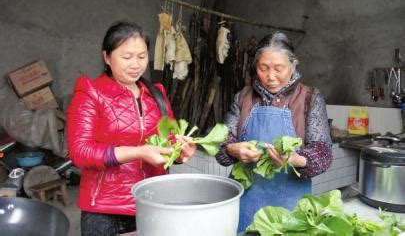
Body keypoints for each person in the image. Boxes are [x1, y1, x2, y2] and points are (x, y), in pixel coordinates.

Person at [67, 21, 196, 236]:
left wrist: (180, 152)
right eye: (126, 57)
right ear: (107, 57)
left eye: (142, 56)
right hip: (106, 210)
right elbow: (80, 152)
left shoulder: (156, 94)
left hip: (153, 202)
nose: (135, 64)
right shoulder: (90, 93)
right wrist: (139, 153)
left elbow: (170, 139)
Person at [215, 32, 333, 232]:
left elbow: (323, 153)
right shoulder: (243, 97)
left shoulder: (309, 98)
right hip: (245, 202)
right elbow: (221, 145)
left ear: (294, 65)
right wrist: (232, 149)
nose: (270, 76)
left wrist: (294, 159)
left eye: (279, 68)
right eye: (263, 68)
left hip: (289, 205)